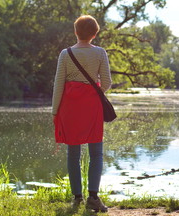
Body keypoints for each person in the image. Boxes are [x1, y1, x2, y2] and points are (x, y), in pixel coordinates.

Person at [52, 15, 112, 212]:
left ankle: (77, 198)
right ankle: (93, 197)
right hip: (92, 106)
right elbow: (107, 83)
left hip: (69, 107)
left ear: (75, 32)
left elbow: (59, 84)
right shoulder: (100, 53)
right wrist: (91, 92)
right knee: (96, 153)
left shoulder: (65, 54)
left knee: (73, 153)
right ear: (95, 34)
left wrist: (55, 110)